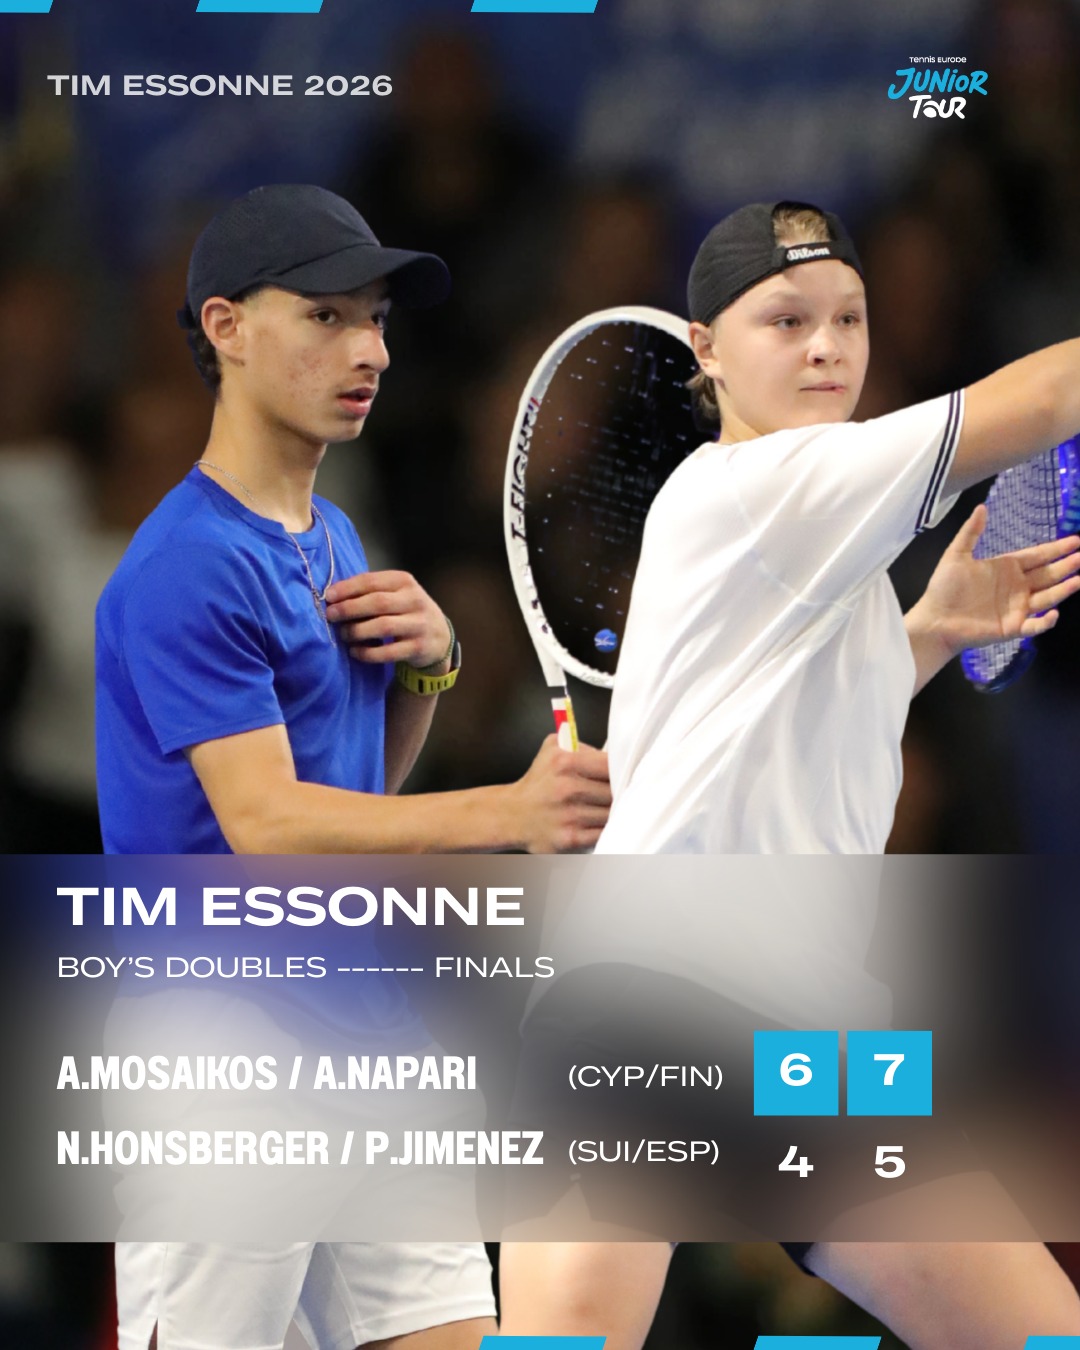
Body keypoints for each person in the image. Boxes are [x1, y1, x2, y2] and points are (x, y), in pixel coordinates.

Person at [499, 200, 1080, 1347]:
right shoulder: (762, 486)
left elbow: (782, 721)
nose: (827, 346)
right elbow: (1055, 397)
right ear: (705, 350)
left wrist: (922, 633)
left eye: (850, 317)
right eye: (787, 319)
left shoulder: (823, 549)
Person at [93, 184, 610, 1350]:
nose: (368, 349)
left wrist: (424, 676)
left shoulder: (332, 538)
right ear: (225, 327)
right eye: (325, 317)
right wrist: (512, 811)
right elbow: (269, 826)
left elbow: (354, 804)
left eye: (374, 318)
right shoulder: (186, 565)